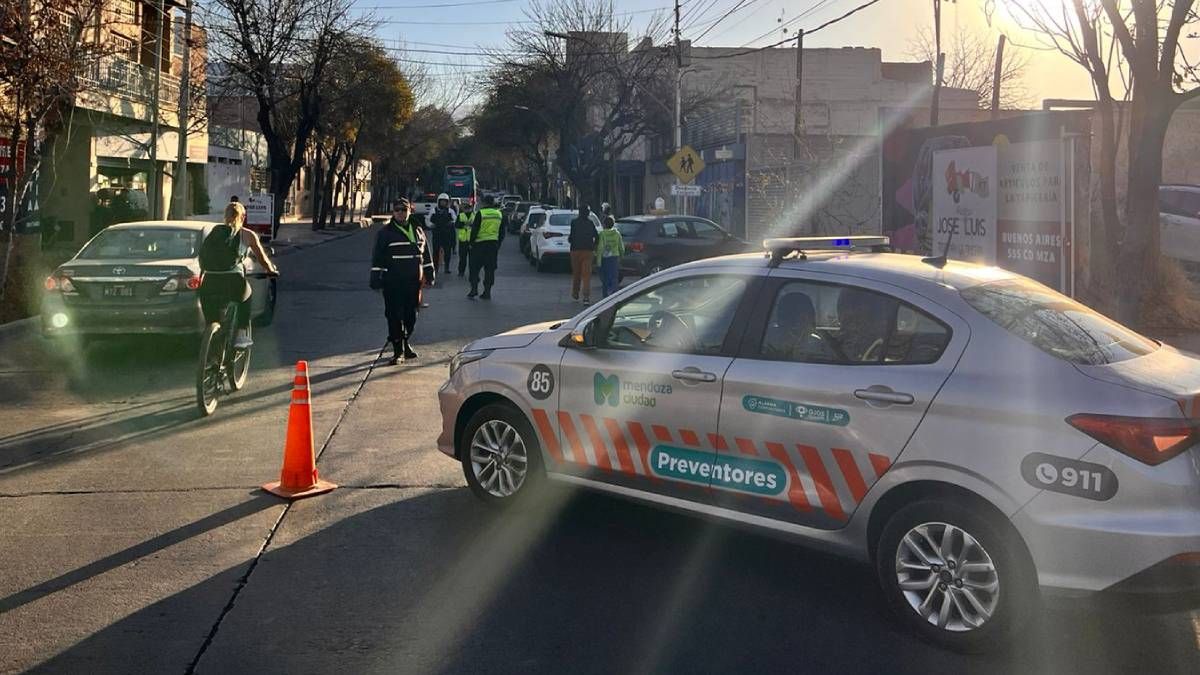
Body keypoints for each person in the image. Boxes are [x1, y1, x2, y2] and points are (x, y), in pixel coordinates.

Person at [198, 201, 279, 349]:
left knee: (212, 320)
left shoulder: (214, 232)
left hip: (209, 281)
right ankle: (241, 334)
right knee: (246, 295)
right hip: (233, 281)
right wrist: (271, 270)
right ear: (243, 217)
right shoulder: (247, 235)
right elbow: (261, 258)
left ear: (225, 216)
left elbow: (203, 255)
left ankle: (210, 345)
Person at [371, 199, 435, 364]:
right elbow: (378, 257)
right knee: (393, 316)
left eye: (404, 209)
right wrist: (375, 278)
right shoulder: (385, 233)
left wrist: (430, 272)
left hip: (413, 281)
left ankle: (406, 342)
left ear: (410, 211)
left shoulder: (418, 230)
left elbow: (426, 254)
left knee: (411, 316)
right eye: (397, 210)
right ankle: (398, 350)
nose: (401, 212)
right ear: (393, 212)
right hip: (393, 282)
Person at [467, 195, 504, 300]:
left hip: (479, 245)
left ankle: (474, 289)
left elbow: (474, 230)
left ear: (484, 203)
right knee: (490, 269)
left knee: (474, 268)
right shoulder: (499, 214)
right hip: (492, 246)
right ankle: (487, 292)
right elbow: (502, 232)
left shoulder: (481, 213)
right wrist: (498, 244)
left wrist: (471, 243)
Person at [568, 204, 598, 304]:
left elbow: (571, 237)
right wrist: (594, 246)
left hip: (575, 250)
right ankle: (586, 297)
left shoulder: (574, 223)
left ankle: (575, 293)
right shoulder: (590, 223)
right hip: (588, 251)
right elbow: (596, 236)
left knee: (576, 273)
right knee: (586, 275)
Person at [595, 215, 624, 298]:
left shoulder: (602, 234)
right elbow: (621, 247)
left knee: (605, 279)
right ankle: (615, 296)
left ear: (604, 224)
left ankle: (606, 296)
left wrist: (598, 261)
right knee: (614, 277)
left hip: (605, 258)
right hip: (614, 257)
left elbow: (600, 248)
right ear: (613, 224)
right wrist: (621, 256)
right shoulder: (617, 233)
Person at [428, 192, 457, 276]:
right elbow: (428, 220)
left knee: (447, 252)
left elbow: (455, 219)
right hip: (437, 234)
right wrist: (431, 225)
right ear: (439, 201)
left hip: (447, 234)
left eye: (445, 201)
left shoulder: (450, 211)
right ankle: (435, 268)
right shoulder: (433, 210)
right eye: (442, 201)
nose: (443, 203)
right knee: (435, 252)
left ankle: (447, 267)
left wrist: (452, 222)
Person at [456, 201, 474, 277]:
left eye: (469, 208)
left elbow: (477, 226)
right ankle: (461, 272)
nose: (467, 210)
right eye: (466, 208)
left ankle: (472, 272)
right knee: (462, 258)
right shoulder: (460, 215)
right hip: (463, 240)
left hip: (472, 240)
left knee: (472, 259)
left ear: (471, 208)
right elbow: (456, 225)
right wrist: (464, 224)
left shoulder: (475, 216)